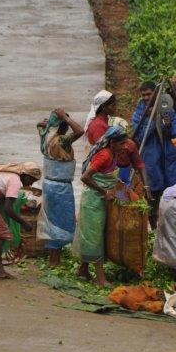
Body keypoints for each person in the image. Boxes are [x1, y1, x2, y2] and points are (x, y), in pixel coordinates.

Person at [74, 126, 126, 286]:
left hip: (101, 200)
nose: (124, 147)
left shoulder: (113, 154)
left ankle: (83, 269)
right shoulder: (104, 155)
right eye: (121, 143)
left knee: (94, 234)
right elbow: (85, 177)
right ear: (111, 143)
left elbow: (110, 179)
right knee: (94, 236)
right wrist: (104, 191)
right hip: (93, 201)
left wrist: (123, 195)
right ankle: (100, 278)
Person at [132, 81, 176, 228]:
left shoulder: (166, 107)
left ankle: (171, 228)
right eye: (143, 95)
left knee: (172, 195)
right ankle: (154, 229)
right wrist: (151, 119)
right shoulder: (139, 112)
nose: (146, 98)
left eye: (149, 94)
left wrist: (166, 124)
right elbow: (139, 136)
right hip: (151, 159)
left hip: (169, 158)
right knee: (152, 196)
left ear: (155, 94)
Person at [36, 108, 84, 266]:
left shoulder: (49, 139)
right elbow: (80, 131)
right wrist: (65, 117)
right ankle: (54, 260)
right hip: (60, 188)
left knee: (52, 221)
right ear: (64, 125)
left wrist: (49, 124)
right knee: (60, 222)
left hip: (49, 185)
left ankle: (53, 258)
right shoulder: (62, 140)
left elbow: (41, 127)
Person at [85, 90, 151, 196]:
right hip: (104, 180)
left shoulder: (106, 123)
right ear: (103, 107)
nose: (115, 107)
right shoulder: (99, 126)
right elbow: (102, 159)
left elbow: (138, 163)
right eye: (113, 105)